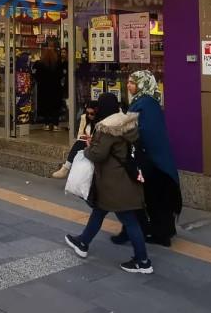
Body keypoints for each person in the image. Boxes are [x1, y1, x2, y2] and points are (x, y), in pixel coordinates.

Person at [63, 92, 154, 274]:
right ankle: (83, 242)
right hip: (126, 178)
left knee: (128, 220)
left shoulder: (107, 127)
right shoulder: (127, 123)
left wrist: (88, 148)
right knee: (99, 210)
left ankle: (143, 261)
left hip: (114, 182)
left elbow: (98, 154)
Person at [113, 70, 181, 248]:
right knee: (154, 199)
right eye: (128, 82)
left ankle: (156, 234)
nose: (129, 85)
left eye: (133, 82)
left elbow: (143, 132)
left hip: (153, 162)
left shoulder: (145, 104)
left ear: (143, 84)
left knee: (153, 199)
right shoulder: (146, 101)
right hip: (155, 160)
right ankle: (159, 232)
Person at [51, 100, 98, 180]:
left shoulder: (100, 122)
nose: (89, 115)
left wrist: (91, 139)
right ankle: (65, 168)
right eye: (87, 113)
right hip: (86, 143)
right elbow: (80, 134)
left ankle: (65, 168)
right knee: (79, 142)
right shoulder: (84, 118)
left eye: (92, 113)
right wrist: (85, 137)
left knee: (79, 144)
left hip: (95, 144)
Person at [34, 47, 62, 131]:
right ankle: (55, 124)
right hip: (55, 88)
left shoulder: (40, 64)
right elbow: (61, 75)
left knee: (46, 106)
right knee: (55, 107)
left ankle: (46, 124)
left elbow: (36, 75)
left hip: (44, 88)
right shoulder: (57, 63)